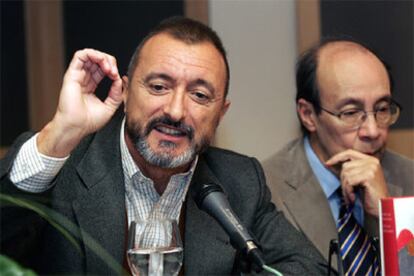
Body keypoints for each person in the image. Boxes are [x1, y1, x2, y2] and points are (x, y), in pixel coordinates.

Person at [0, 17, 327, 275]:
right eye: (158, 86)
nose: (174, 110)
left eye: (199, 95)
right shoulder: (65, 166)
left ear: (221, 113)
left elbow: (307, 268)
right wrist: (60, 133)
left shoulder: (239, 180)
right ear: (125, 93)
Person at [262, 38, 414, 274]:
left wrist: (386, 216)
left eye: (382, 109)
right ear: (308, 115)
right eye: (351, 112)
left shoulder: (409, 178)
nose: (372, 131)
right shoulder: (266, 188)